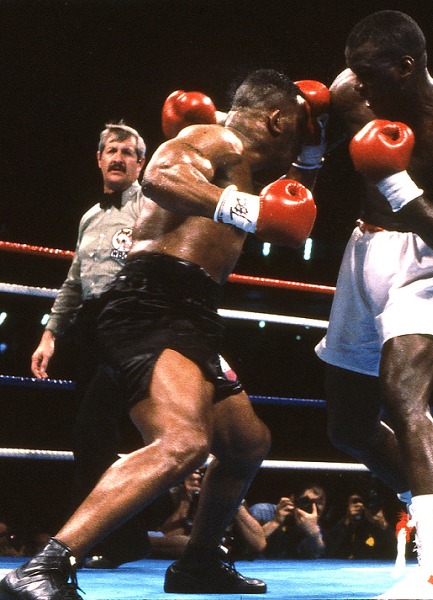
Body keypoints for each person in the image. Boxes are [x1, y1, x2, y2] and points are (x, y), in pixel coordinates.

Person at [0, 68, 324, 599]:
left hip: (192, 310)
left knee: (246, 443)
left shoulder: (244, 166)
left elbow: (290, 217)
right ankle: (44, 566)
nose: (301, 141)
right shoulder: (215, 137)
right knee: (183, 442)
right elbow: (160, 176)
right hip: (151, 303)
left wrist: (311, 159)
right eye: (299, 130)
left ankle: (199, 562)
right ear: (276, 120)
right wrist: (239, 206)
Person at [314, 10, 433, 599]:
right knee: (348, 426)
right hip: (363, 253)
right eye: (353, 72)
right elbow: (305, 138)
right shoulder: (352, 92)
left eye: (369, 74)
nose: (357, 86)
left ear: (406, 66)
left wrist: (397, 183)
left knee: (403, 395)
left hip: (432, 264)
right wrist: (304, 155)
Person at [30, 121, 152, 569]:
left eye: (127, 152)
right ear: (99, 159)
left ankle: (97, 540)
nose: (118, 158)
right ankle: (123, 538)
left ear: (141, 162)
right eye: (111, 151)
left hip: (133, 322)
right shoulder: (89, 217)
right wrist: (50, 335)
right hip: (91, 330)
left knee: (96, 429)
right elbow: (73, 283)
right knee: (93, 437)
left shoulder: (150, 206)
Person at [149, 462, 266, 560]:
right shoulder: (174, 495)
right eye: (196, 471)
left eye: (204, 471)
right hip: (177, 557)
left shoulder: (231, 494)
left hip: (219, 555)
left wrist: (230, 498)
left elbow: (259, 544)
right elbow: (167, 540)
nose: (200, 477)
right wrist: (186, 499)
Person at [249, 484, 328, 559]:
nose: (310, 509)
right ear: (292, 499)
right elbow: (248, 545)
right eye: (306, 502)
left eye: (316, 508)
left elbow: (314, 555)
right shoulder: (262, 511)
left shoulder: (311, 525)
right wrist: (276, 521)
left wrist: (314, 534)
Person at [324, 492, 393, 559]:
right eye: (355, 502)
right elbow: (327, 550)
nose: (360, 505)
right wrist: (346, 520)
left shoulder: (377, 523)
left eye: (363, 502)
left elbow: (392, 553)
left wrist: (383, 525)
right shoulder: (335, 520)